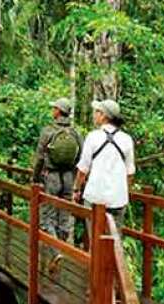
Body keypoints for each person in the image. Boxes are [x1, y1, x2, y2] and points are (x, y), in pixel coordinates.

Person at [72, 99, 135, 238]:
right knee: (115, 240)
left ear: (104, 116)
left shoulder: (93, 137)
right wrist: (125, 192)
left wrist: (76, 189)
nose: (94, 115)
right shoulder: (126, 139)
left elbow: (83, 169)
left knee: (95, 239)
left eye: (97, 112)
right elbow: (130, 172)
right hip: (118, 199)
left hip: (95, 196)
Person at [33, 98, 83, 242]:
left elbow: (40, 158)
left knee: (47, 215)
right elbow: (81, 156)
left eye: (54, 108)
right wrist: (74, 174)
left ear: (58, 111)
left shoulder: (48, 131)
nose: (52, 110)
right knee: (65, 214)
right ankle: (62, 246)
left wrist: (35, 178)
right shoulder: (75, 133)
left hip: (51, 177)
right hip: (68, 177)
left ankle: (55, 251)